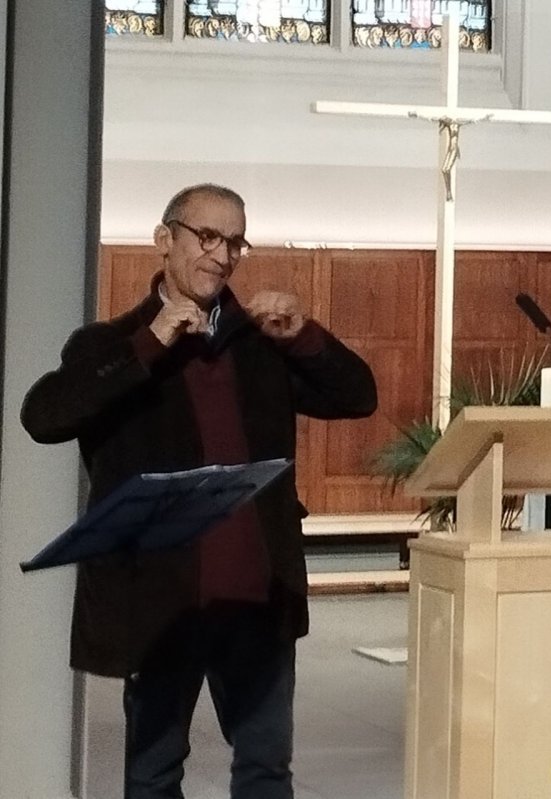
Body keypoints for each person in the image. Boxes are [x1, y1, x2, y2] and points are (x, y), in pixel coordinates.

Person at [21, 183, 378, 798]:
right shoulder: (112, 343)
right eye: (207, 236)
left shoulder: (259, 342)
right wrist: (150, 342)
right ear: (165, 240)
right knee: (153, 777)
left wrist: (304, 335)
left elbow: (358, 395)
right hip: (164, 605)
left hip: (257, 601)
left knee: (265, 772)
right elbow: (44, 416)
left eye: (234, 241)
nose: (221, 255)